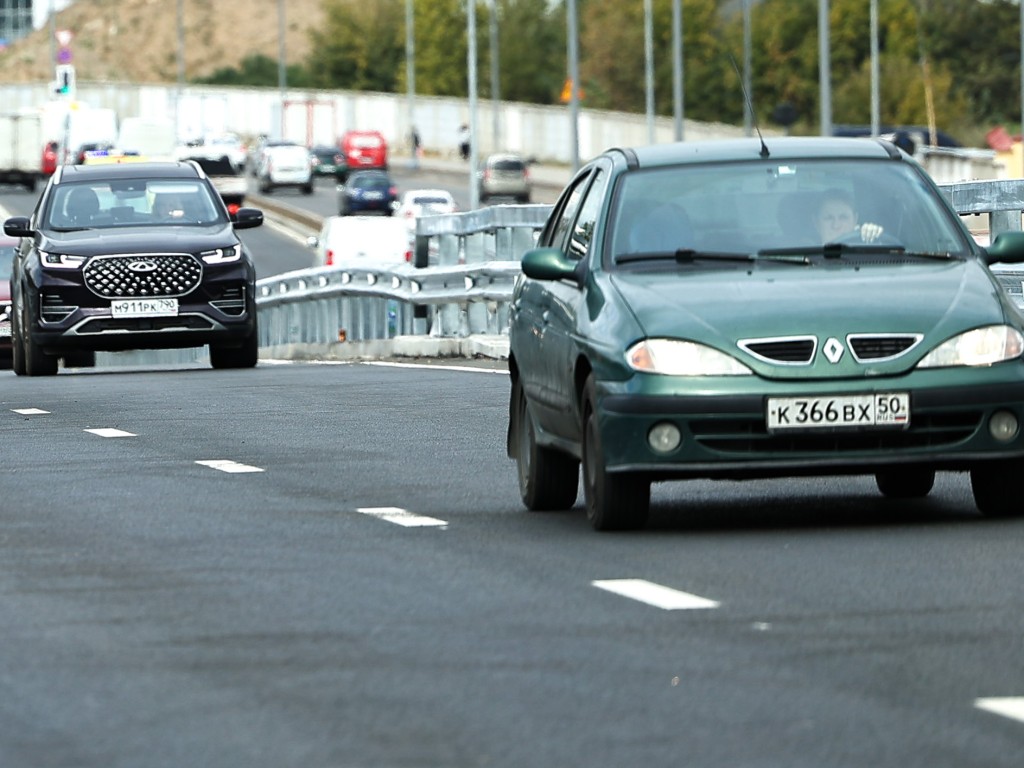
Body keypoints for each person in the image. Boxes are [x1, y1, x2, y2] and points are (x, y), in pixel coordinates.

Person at [815, 188, 884, 243]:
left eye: (843, 217)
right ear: (816, 223)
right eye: (828, 218)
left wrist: (873, 235)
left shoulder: (867, 252)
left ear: (855, 220)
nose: (836, 225)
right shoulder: (806, 253)